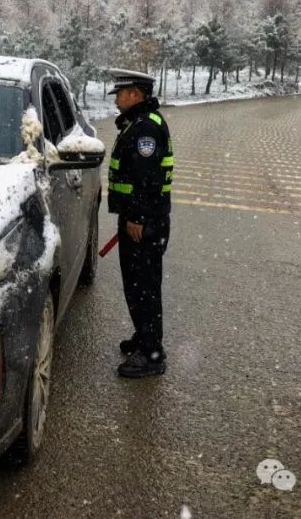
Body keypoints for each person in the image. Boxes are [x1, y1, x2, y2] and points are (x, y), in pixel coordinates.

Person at [106, 69, 174, 378]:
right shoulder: (140, 122)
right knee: (138, 285)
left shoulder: (145, 128)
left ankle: (151, 354)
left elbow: (147, 178)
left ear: (136, 94)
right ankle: (145, 336)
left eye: (120, 93)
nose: (117, 98)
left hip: (143, 222)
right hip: (141, 219)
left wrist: (137, 217)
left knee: (143, 286)